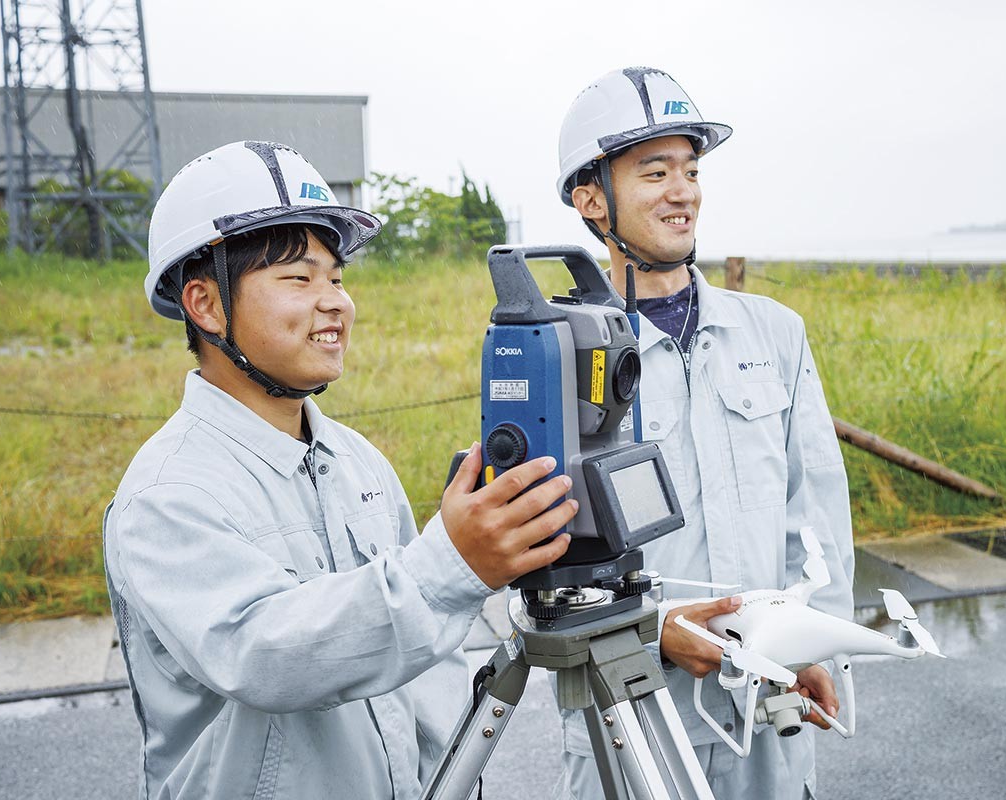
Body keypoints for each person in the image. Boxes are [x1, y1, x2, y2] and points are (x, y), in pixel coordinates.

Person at [104, 140, 577, 799]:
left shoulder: (361, 463)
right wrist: (451, 566)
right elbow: (268, 657)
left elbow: (427, 674)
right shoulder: (168, 496)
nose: (335, 303)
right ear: (206, 305)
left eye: (337, 278)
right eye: (299, 278)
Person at [552, 68, 856, 799]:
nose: (682, 190)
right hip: (631, 721)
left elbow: (814, 514)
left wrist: (821, 646)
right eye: (654, 172)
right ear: (591, 198)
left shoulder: (773, 333)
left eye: (690, 170)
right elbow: (529, 576)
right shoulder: (557, 353)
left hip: (769, 717)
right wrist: (651, 631)